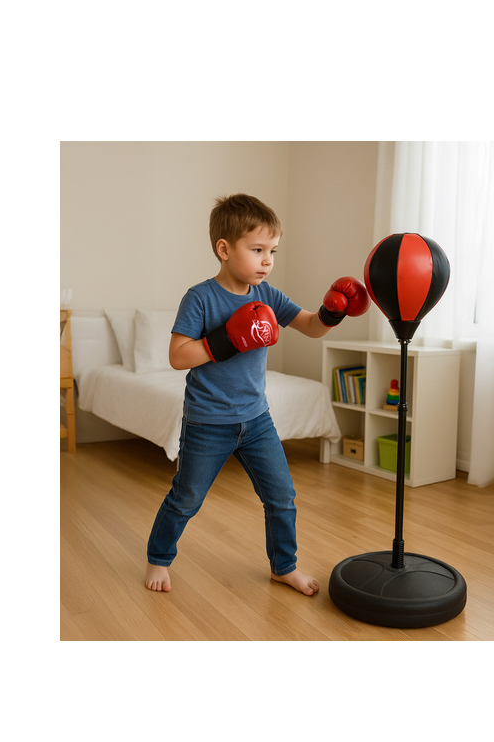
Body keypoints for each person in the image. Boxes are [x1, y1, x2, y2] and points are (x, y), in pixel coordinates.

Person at [145, 193, 370, 596]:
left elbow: (310, 326)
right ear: (224, 249)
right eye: (257, 250)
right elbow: (178, 356)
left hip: (256, 420)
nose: (267, 261)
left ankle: (284, 567)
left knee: (281, 496)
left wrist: (333, 312)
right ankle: (159, 558)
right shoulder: (200, 298)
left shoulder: (267, 295)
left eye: (273, 251)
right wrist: (226, 340)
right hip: (208, 422)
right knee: (186, 498)